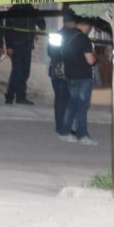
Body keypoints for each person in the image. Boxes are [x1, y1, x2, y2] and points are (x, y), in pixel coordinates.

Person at [61, 15, 98, 145]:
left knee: (72, 103)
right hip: (83, 76)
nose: (89, 30)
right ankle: (82, 135)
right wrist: (96, 56)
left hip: (70, 74)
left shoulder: (66, 35)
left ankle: (65, 132)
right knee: (82, 106)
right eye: (89, 27)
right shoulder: (83, 39)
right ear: (85, 25)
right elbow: (90, 60)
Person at [4, 0, 46, 105]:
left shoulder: (32, 11)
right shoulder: (15, 11)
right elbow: (8, 30)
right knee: (17, 72)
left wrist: (39, 14)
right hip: (17, 45)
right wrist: (9, 46)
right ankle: (10, 96)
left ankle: (20, 96)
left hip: (26, 45)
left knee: (24, 72)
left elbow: (42, 26)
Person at [48, 8, 78, 136]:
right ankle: (65, 127)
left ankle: (60, 126)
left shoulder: (56, 34)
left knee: (59, 99)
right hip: (69, 71)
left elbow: (50, 52)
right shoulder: (75, 35)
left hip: (56, 69)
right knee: (68, 100)